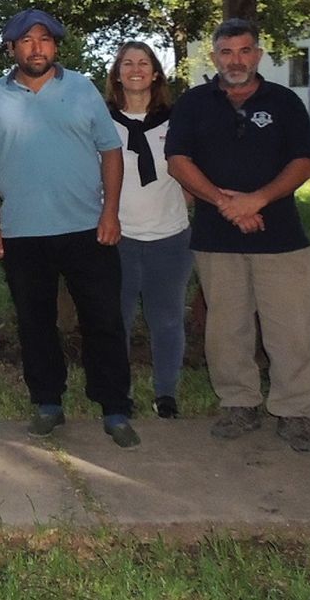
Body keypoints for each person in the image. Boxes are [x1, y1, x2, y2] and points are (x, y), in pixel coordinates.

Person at [0, 10, 140, 448]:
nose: (36, 47)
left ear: (55, 47)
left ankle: (115, 408)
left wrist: (111, 213)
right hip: (23, 232)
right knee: (35, 323)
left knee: (103, 320)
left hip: (88, 227)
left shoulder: (82, 88)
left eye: (45, 39)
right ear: (11, 49)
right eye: (26, 40)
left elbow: (110, 152)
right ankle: (47, 402)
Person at [166, 17, 310, 453]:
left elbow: (304, 162)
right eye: (226, 52)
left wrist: (255, 200)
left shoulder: (285, 102)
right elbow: (178, 161)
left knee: (292, 329)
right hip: (217, 238)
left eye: (245, 50)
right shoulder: (194, 103)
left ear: (258, 54)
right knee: (226, 329)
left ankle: (294, 413)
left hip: (281, 238)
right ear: (215, 56)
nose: (236, 60)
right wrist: (226, 204)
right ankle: (238, 404)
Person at [105, 41, 193, 420]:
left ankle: (166, 393)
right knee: (116, 319)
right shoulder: (103, 121)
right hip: (118, 238)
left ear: (156, 73)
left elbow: (192, 170)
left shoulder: (176, 121)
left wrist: (180, 205)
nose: (136, 69)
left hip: (169, 237)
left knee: (168, 318)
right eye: (128, 63)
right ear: (117, 74)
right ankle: (118, 393)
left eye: (144, 63)